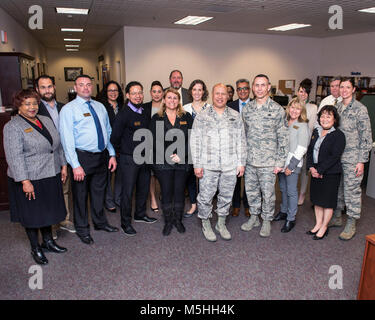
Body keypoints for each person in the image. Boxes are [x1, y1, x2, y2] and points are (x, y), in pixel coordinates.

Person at [4, 89, 68, 265]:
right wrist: (24, 181)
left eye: (34, 103)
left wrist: (63, 165)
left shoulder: (45, 120)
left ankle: (48, 242)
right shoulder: (13, 127)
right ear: (19, 106)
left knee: (47, 211)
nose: (32, 107)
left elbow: (58, 145)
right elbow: (14, 156)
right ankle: (36, 248)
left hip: (50, 173)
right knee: (32, 215)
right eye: (27, 104)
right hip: (30, 178)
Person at [59, 75, 119, 245]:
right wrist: (75, 165)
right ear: (75, 87)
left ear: (92, 87)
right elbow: (67, 139)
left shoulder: (99, 106)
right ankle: (83, 229)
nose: (85, 88)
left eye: (88, 85)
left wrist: (112, 153)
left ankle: (100, 223)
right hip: (82, 158)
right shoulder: (69, 109)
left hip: (101, 156)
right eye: (81, 85)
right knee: (80, 195)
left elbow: (107, 132)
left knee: (99, 193)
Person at [190, 83, 247, 242]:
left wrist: (241, 162)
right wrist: (197, 164)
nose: (220, 97)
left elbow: (241, 140)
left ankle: (221, 223)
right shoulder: (202, 116)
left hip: (230, 165)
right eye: (217, 94)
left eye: (223, 94)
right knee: (205, 196)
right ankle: (206, 223)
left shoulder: (235, 116)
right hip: (208, 165)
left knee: (226, 196)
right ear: (212, 95)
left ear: (228, 96)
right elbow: (195, 141)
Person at [241, 74, 289, 238]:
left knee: (268, 194)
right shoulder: (247, 109)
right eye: (257, 85)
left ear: (269, 87)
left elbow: (283, 137)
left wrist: (280, 161)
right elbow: (243, 136)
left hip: (269, 162)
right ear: (253, 88)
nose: (260, 88)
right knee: (251, 191)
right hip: (250, 160)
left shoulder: (277, 110)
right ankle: (254, 217)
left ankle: (266, 219)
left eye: (263, 85)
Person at [110, 81, 157, 236]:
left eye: (140, 92)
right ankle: (125, 223)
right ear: (128, 95)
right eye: (134, 93)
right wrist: (122, 153)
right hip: (129, 159)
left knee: (143, 187)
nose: (138, 96)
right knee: (127, 192)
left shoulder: (144, 111)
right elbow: (114, 137)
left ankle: (140, 214)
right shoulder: (123, 114)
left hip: (144, 157)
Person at [329, 77, 373, 241]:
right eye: (342, 87)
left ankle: (352, 222)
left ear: (354, 89)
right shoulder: (337, 107)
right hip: (337, 157)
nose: (344, 90)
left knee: (352, 190)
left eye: (348, 87)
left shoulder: (360, 109)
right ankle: (338, 216)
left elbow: (366, 137)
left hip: (353, 157)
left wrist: (361, 161)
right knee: (338, 187)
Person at [35, 75, 76, 237]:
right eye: (43, 87)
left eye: (49, 86)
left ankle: (64, 219)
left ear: (54, 87)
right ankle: (51, 225)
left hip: (64, 153)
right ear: (38, 90)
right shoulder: (35, 108)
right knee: (49, 191)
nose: (47, 90)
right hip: (46, 157)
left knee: (65, 188)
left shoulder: (64, 107)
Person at [150, 88, 193, 235]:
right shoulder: (157, 118)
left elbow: (192, 139)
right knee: (167, 191)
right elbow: (154, 141)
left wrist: (181, 154)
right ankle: (168, 221)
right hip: (163, 162)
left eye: (175, 98)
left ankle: (178, 220)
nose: (172, 101)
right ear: (164, 100)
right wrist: (168, 154)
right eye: (169, 98)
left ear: (179, 100)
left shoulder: (186, 117)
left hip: (182, 161)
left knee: (179, 191)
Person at [306, 105, 346, 240]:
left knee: (327, 202)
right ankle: (318, 224)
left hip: (330, 173)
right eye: (322, 116)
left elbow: (334, 156)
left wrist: (320, 170)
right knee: (317, 200)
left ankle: (324, 227)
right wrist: (311, 167)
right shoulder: (316, 131)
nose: (325, 119)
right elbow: (310, 151)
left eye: (328, 116)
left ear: (334, 120)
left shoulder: (338, 135)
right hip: (315, 172)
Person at [274, 98, 309, 232]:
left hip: (292, 164)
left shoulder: (302, 125)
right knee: (282, 189)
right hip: (281, 162)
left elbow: (302, 148)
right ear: (288, 108)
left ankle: (291, 218)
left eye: (298, 108)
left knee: (292, 191)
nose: (294, 111)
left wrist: (291, 166)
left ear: (302, 111)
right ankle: (283, 211)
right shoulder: (285, 122)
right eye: (292, 107)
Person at [183, 79, 210, 218]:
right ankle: (194, 205)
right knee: (191, 178)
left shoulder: (210, 108)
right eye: (194, 89)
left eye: (200, 89)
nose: (197, 92)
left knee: (206, 179)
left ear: (204, 92)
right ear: (191, 92)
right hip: (189, 148)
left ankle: (204, 205)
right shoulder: (184, 108)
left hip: (206, 149)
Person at [97, 81, 124, 213]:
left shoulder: (123, 106)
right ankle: (108, 200)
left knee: (120, 174)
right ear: (106, 93)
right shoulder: (101, 107)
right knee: (107, 175)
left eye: (115, 90)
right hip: (107, 145)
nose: (113, 93)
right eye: (110, 90)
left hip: (121, 145)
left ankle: (118, 198)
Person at [228, 79, 252, 217]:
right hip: (235, 149)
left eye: (245, 88)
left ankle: (247, 205)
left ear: (249, 90)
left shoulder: (255, 105)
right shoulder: (230, 106)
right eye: (240, 89)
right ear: (237, 91)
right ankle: (236, 205)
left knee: (249, 180)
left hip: (251, 149)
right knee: (235, 180)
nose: (242, 91)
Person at [295, 78, 318, 205]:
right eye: (300, 91)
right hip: (293, 144)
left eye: (305, 92)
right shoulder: (293, 105)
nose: (302, 94)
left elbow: (312, 128)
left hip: (306, 144)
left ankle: (302, 193)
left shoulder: (313, 108)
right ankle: (292, 192)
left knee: (304, 171)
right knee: (292, 169)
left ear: (308, 94)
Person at [143, 80, 164, 213]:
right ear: (150, 93)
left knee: (163, 173)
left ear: (163, 93)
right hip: (149, 145)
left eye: (159, 91)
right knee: (150, 174)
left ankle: (163, 194)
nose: (156, 94)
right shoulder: (144, 107)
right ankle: (153, 198)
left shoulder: (168, 105)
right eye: (154, 91)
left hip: (165, 145)